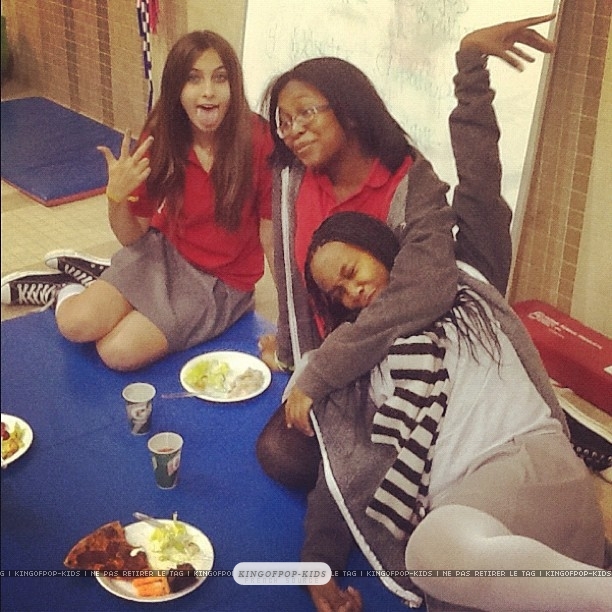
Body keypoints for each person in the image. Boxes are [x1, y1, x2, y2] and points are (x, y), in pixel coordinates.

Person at [296, 16, 610, 612]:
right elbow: (340, 475)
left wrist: (471, 69)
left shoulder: (467, 277)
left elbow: (479, 181)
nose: (351, 292)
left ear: (382, 246)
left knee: (430, 553)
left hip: (531, 469)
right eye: (336, 294)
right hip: (476, 535)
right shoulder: (358, 362)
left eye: (352, 270)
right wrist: (319, 564)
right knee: (439, 567)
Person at [255, 13, 474, 488]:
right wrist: (294, 357)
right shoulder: (292, 177)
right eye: (284, 122)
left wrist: (321, 372)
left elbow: (427, 289)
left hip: (404, 365)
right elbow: (292, 282)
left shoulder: (412, 181)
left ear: (349, 111)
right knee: (280, 454)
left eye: (305, 113)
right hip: (334, 367)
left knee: (422, 468)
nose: (292, 131)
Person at [1, 31, 273, 371]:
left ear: (234, 85)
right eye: (193, 79)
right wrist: (115, 197)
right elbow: (133, 236)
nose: (208, 91)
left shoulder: (258, 138)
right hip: (163, 251)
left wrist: (296, 326)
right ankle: (65, 290)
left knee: (118, 352)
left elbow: (271, 239)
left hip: (221, 282)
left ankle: (98, 273)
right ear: (176, 89)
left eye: (220, 78)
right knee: (76, 324)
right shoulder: (162, 134)